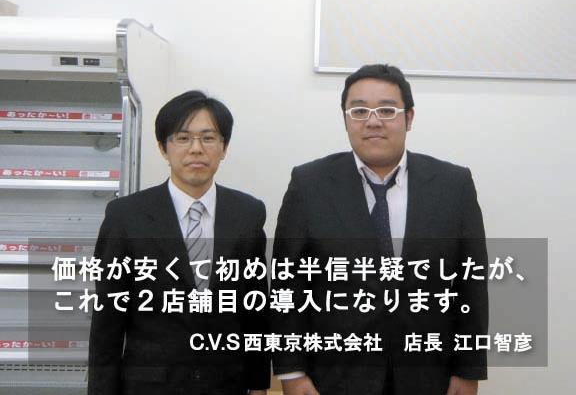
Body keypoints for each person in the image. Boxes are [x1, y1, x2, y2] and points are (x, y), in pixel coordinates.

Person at [272, 65, 488, 395]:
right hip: (333, 378)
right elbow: (287, 284)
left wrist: (468, 371)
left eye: (387, 110)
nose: (373, 121)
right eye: (359, 111)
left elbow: (471, 285)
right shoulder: (308, 184)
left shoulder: (453, 185)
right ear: (345, 119)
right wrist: (292, 373)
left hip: (430, 377)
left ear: (409, 118)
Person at [88, 91, 269, 395]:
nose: (196, 149)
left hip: (225, 384)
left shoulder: (247, 214)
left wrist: (259, 384)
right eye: (183, 138)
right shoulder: (126, 216)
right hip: (150, 387)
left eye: (208, 138)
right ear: (163, 148)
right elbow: (107, 321)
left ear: (223, 147)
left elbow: (255, 308)